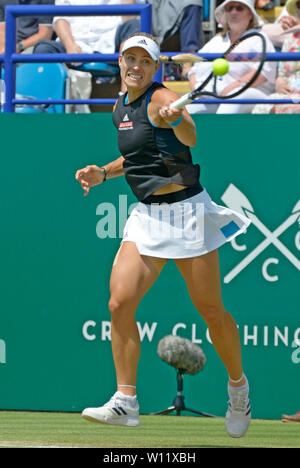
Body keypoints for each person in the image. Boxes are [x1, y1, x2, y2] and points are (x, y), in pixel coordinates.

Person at [75, 32, 252, 438]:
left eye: (144, 61)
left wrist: (181, 120)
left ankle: (238, 387)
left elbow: (190, 137)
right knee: (119, 301)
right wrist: (103, 172)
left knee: (210, 310)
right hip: (147, 215)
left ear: (155, 68)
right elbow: (137, 154)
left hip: (186, 212)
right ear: (120, 63)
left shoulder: (159, 98)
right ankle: (126, 401)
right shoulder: (120, 105)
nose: (135, 66)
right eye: (129, 59)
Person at [187, 0, 276, 114]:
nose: (234, 12)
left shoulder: (259, 38)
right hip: (214, 96)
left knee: (233, 99)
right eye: (229, 8)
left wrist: (234, 86)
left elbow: (263, 73)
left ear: (250, 14)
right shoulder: (217, 40)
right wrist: (196, 88)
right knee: (185, 111)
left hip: (251, 93)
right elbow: (194, 70)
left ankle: (221, 131)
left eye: (239, 8)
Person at [252, 24, 300, 114]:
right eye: (298, 8)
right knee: (261, 108)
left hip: (295, 97)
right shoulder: (291, 38)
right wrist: (280, 83)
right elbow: (282, 73)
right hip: (290, 93)